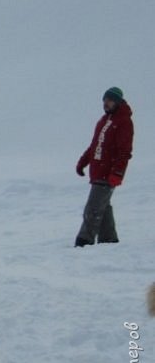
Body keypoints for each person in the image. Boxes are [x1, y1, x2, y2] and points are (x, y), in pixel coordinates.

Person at [75, 87, 134, 247]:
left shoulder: (123, 122)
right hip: (97, 171)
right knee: (103, 206)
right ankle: (109, 240)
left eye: (110, 100)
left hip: (108, 173)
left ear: (118, 102)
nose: (106, 103)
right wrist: (83, 162)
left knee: (93, 208)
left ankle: (84, 241)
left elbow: (124, 151)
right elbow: (95, 145)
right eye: (104, 100)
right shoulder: (103, 121)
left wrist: (117, 172)